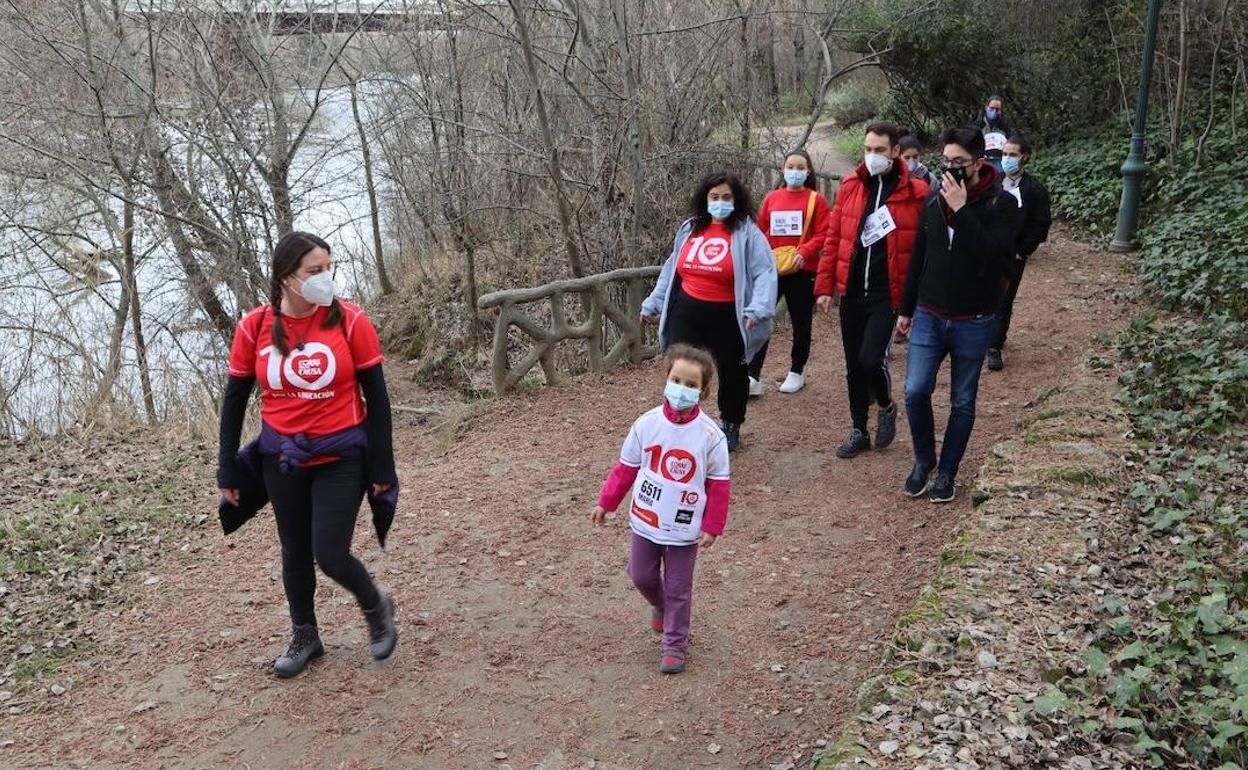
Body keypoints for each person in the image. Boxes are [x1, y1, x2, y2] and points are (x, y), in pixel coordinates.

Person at [217, 231, 399, 678]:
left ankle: (376, 607)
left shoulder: (351, 321)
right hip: (282, 460)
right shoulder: (253, 328)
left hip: (342, 456)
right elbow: (235, 399)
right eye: (314, 271)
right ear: (286, 278)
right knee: (293, 549)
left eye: (328, 268)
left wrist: (382, 465)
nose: (325, 279)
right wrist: (226, 467)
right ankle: (305, 633)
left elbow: (377, 398)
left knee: (329, 552)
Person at [896, 127, 1022, 503]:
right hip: (930, 312)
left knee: (962, 400)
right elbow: (920, 256)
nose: (950, 168)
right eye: (945, 161)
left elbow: (997, 257)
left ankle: (947, 472)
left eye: (958, 162)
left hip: (974, 318)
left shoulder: (1002, 204)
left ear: (978, 163)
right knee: (915, 390)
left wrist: (964, 211)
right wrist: (906, 308)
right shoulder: (933, 200)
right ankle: (924, 461)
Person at [591, 344, 730, 674]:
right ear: (666, 379)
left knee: (680, 587)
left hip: (684, 527)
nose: (682, 389)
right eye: (677, 380)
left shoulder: (711, 436)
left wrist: (713, 525)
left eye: (691, 384)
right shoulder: (646, 425)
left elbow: (719, 484)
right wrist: (606, 502)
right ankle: (660, 604)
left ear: (704, 390)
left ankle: (674, 643)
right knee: (640, 575)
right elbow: (625, 468)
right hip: (646, 519)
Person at [815, 122, 929, 459]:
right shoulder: (851, 185)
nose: (872, 156)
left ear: (895, 151)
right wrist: (824, 287)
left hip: (886, 291)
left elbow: (926, 247)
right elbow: (834, 236)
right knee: (852, 363)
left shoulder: (917, 193)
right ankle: (858, 429)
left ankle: (886, 404)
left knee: (870, 357)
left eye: (879, 150)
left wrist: (917, 295)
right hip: (852, 290)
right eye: (868, 149)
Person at [640, 172, 778, 452]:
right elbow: (671, 269)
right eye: (714, 197)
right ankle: (676, 422)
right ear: (705, 199)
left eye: (726, 197)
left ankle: (730, 424)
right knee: (679, 366)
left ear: (736, 200)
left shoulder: (747, 232)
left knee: (732, 372)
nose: (720, 202)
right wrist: (653, 301)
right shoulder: (691, 228)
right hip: (686, 310)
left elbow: (764, 271)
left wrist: (759, 308)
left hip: (728, 315)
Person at [748, 149, 832, 396]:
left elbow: (823, 232)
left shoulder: (816, 199)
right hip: (772, 269)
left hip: (802, 269)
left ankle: (797, 370)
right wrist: (764, 256)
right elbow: (760, 229)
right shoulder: (771, 198)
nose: (795, 171)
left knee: (801, 321)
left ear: (808, 171)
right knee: (760, 317)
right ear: (783, 169)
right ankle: (752, 375)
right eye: (790, 167)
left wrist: (805, 252)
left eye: (800, 167)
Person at [986, 134, 1052, 371]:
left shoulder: (1034, 190)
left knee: (1004, 299)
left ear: (1024, 156)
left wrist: (1022, 251)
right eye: (1004, 154)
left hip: (1013, 255)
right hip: (987, 250)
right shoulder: (992, 182)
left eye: (1012, 154)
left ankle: (994, 345)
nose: (1007, 158)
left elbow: (1041, 223)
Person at [978, 96, 1014, 170]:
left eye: (997, 109)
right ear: (986, 108)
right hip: (982, 163)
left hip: (1000, 164)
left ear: (1001, 111)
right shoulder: (977, 127)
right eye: (991, 108)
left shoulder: (1006, 128)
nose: (994, 112)